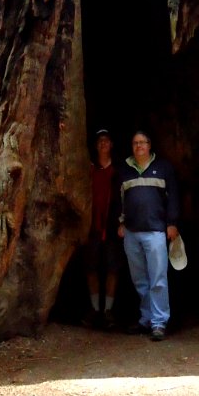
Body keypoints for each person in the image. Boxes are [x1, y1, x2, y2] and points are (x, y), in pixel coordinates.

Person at [117, 130, 179, 341]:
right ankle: (146, 318)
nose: (139, 146)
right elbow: (119, 199)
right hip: (132, 232)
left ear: (150, 145)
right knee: (140, 279)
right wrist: (120, 222)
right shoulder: (125, 169)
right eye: (135, 143)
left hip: (155, 231)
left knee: (158, 278)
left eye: (142, 142)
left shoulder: (163, 168)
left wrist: (172, 223)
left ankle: (159, 322)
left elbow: (173, 197)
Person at [83, 128, 120, 329]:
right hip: (92, 227)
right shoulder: (89, 169)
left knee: (113, 269)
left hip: (112, 227)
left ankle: (108, 310)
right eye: (100, 140)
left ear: (112, 145)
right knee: (91, 268)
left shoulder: (118, 170)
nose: (103, 143)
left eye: (107, 140)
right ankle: (95, 308)